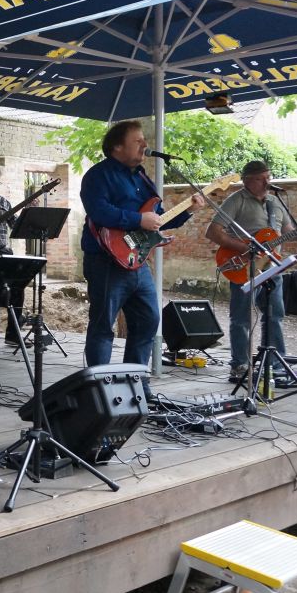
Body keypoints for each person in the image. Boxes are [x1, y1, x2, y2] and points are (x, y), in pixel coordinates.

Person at [79, 120, 205, 394]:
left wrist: (189, 210)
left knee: (148, 319)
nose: (145, 145)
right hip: (105, 261)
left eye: (144, 140)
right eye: (138, 140)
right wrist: (137, 219)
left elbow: (157, 220)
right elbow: (99, 211)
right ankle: (97, 390)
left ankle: (134, 384)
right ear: (117, 147)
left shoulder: (142, 178)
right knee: (103, 325)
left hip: (137, 262)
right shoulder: (97, 176)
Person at [205, 160, 297, 382]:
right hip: (244, 267)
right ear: (247, 180)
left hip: (274, 268)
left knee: (275, 315)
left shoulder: (275, 202)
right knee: (241, 318)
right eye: (261, 179)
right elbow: (213, 232)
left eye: (268, 177)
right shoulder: (236, 200)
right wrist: (246, 248)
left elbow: (290, 232)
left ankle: (276, 362)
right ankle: (240, 365)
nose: (267, 182)